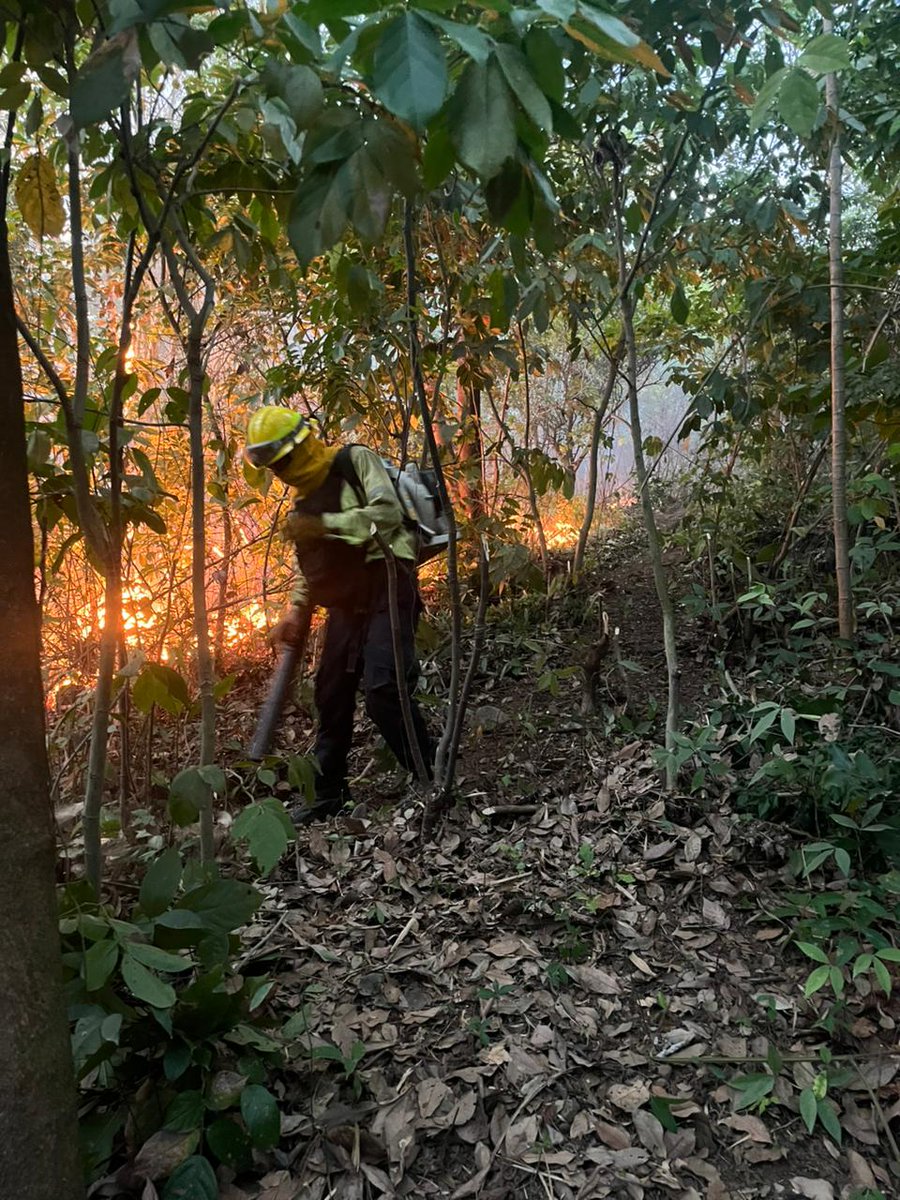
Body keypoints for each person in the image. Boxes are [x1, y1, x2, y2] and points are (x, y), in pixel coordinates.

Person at [244, 407, 433, 821]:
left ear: (305, 445)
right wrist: (295, 609)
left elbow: (386, 516)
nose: (283, 473)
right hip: (345, 603)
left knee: (384, 690)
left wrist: (325, 524)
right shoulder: (303, 506)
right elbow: (311, 566)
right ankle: (329, 793)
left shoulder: (353, 461)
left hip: (388, 581)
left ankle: (431, 779)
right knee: (331, 696)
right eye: (275, 468)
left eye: (286, 461)